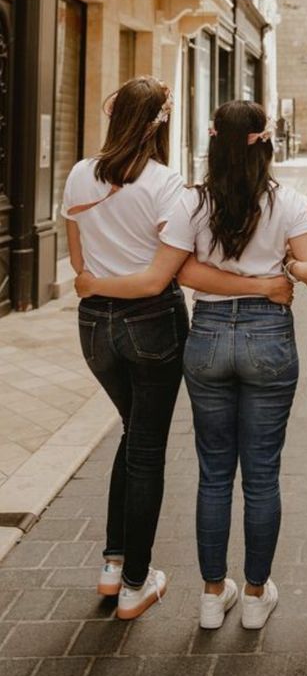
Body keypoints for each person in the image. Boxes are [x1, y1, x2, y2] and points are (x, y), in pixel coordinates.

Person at [75, 100, 307, 632]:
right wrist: (293, 272)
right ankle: (257, 595)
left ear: (214, 141)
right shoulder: (288, 201)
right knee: (261, 475)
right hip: (266, 335)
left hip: (209, 337)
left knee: (214, 474)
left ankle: (213, 595)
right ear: (266, 141)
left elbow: (183, 272)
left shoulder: (193, 201)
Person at [63, 76, 188, 621]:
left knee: (133, 433)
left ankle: (113, 566)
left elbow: (79, 268)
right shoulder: (166, 184)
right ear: (160, 122)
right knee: (146, 448)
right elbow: (156, 281)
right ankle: (137, 582)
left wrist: (94, 287)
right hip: (151, 325)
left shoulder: (78, 174)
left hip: (95, 330)